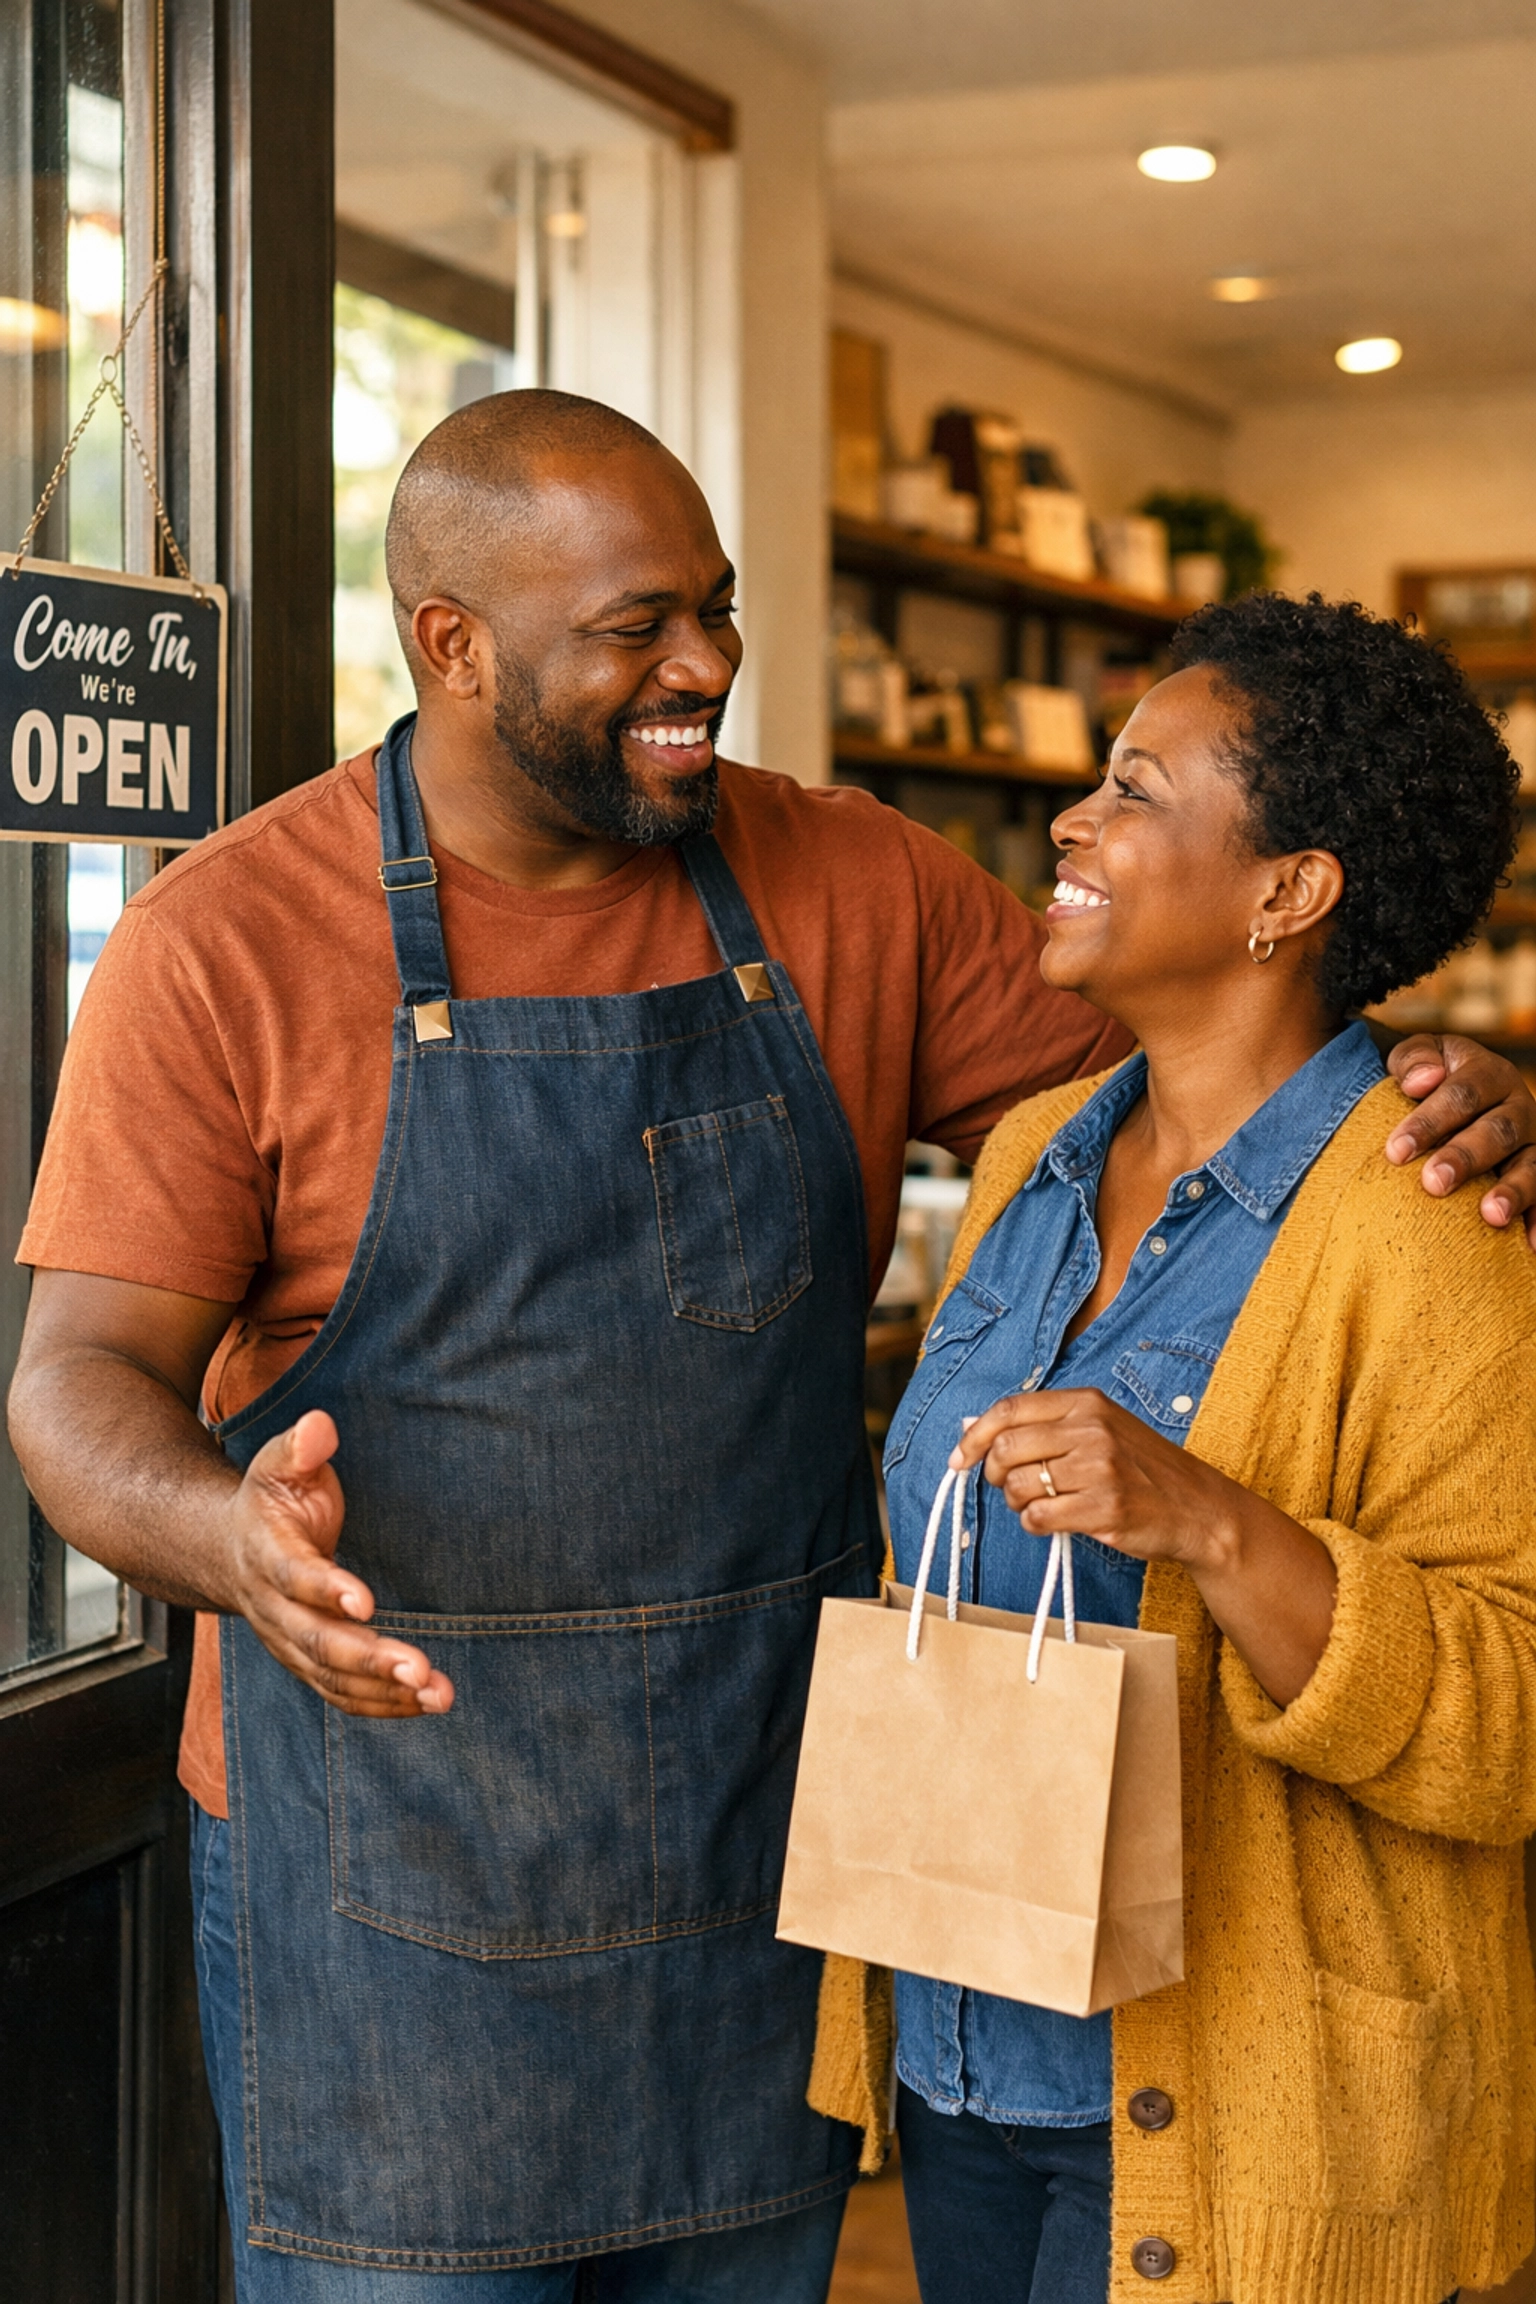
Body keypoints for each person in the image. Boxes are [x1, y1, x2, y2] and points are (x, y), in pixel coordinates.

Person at [6, 397, 1535, 2304]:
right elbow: (73, 1385)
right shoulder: (218, 942)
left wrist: (1449, 1086)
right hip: (387, 1883)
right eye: (638, 626)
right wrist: (229, 1537)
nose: (709, 667)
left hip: (771, 1867)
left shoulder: (852, 883)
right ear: (453, 643)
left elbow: (1221, 1092)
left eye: (715, 611)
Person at [809, 592, 1536, 2304]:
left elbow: (1509, 1725)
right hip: (969, 2058)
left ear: (1289, 892)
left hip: (1246, 2114)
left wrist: (1208, 1520)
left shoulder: (1439, 1222)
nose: (1075, 818)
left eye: (1137, 789)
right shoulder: (1034, 1159)